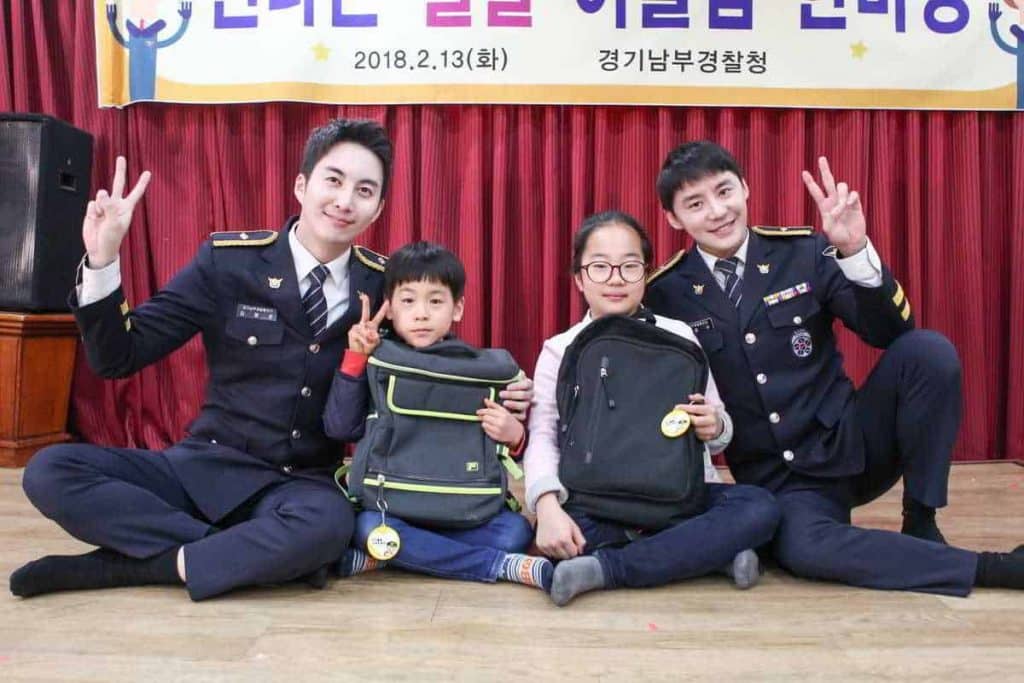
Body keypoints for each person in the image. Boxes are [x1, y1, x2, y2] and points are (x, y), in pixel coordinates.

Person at [9, 118, 533, 601]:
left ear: (377, 209)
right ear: (301, 186)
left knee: (328, 528)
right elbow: (118, 356)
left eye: (364, 190)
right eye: (333, 181)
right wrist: (102, 259)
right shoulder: (227, 263)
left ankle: (133, 565)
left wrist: (503, 388)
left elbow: (435, 362)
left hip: (301, 485)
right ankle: (238, 556)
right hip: (205, 465)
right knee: (51, 470)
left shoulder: (385, 285)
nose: (345, 200)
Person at [644, 140, 1024, 595]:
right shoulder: (666, 293)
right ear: (673, 218)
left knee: (928, 352)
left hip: (854, 444)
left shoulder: (803, 252)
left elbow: (891, 332)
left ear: (745, 187)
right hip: (782, 483)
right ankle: (995, 569)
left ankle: (921, 518)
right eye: (695, 203)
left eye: (724, 191)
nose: (717, 211)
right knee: (804, 550)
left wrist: (855, 250)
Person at [525, 211, 781, 607]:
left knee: (759, 507)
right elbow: (542, 435)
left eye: (630, 266)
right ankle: (708, 554)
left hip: (679, 496)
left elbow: (718, 432)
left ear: (646, 273)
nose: (615, 279)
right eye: (600, 267)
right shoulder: (560, 349)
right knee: (566, 535)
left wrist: (715, 426)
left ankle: (608, 569)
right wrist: (546, 508)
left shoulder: (680, 335)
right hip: (597, 500)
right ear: (578, 278)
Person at [323, 241, 553, 592]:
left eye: (435, 301)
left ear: (457, 308)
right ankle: (498, 566)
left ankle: (389, 555)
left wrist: (515, 436)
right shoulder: (377, 358)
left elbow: (514, 451)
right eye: (408, 301)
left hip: (466, 511)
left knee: (515, 532)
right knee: (365, 526)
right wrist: (355, 358)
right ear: (390, 308)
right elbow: (340, 427)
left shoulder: (484, 370)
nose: (421, 314)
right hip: (391, 507)